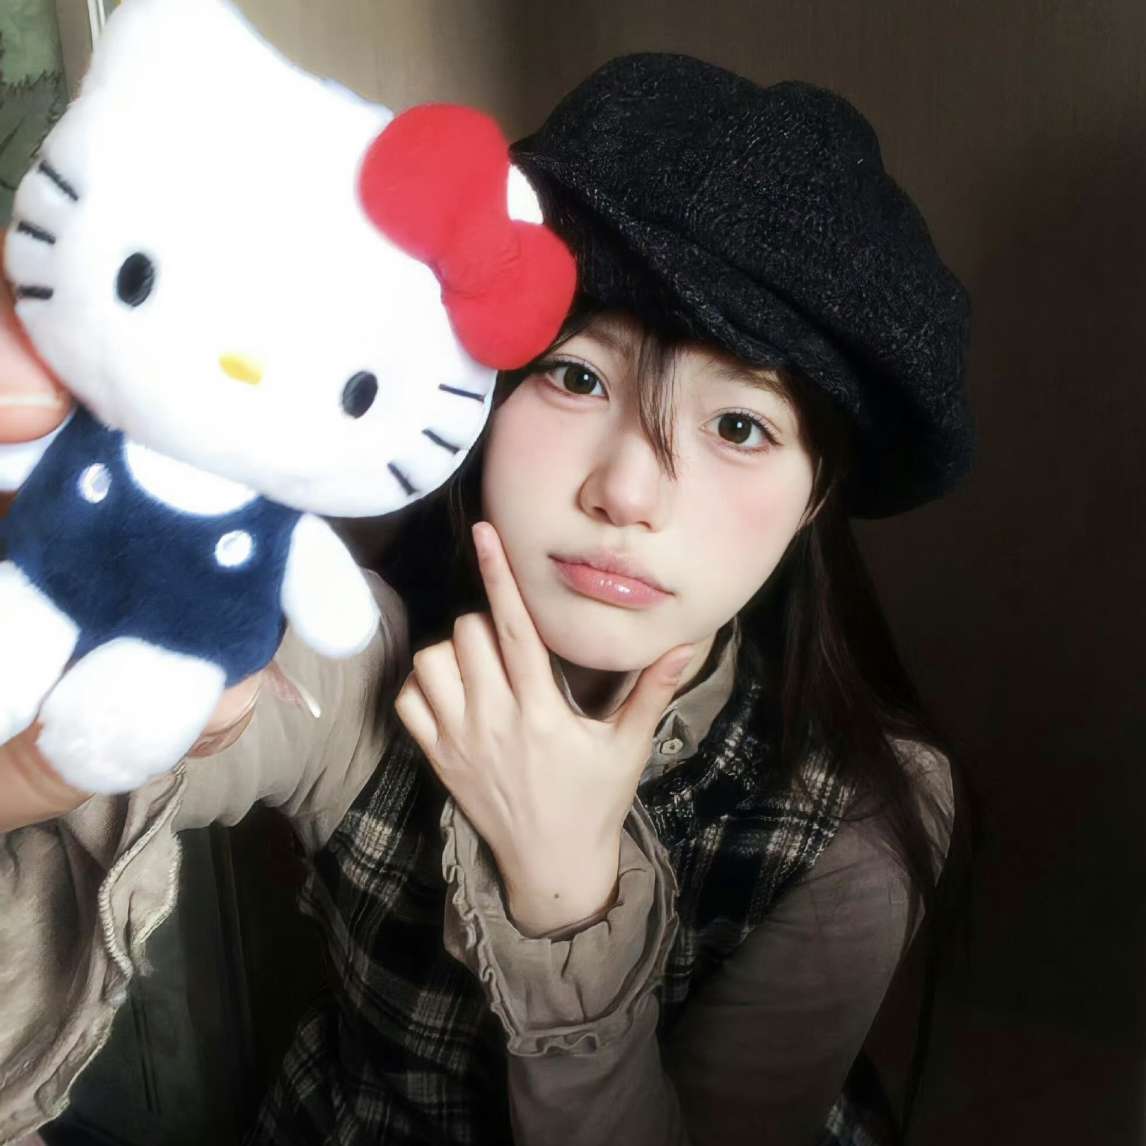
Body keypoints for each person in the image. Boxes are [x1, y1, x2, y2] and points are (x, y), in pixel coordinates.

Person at [0, 54, 972, 1145]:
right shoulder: (353, 657)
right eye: (577, 376)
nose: (627, 492)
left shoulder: (864, 812)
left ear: (816, 498)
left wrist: (566, 904)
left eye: (739, 427)